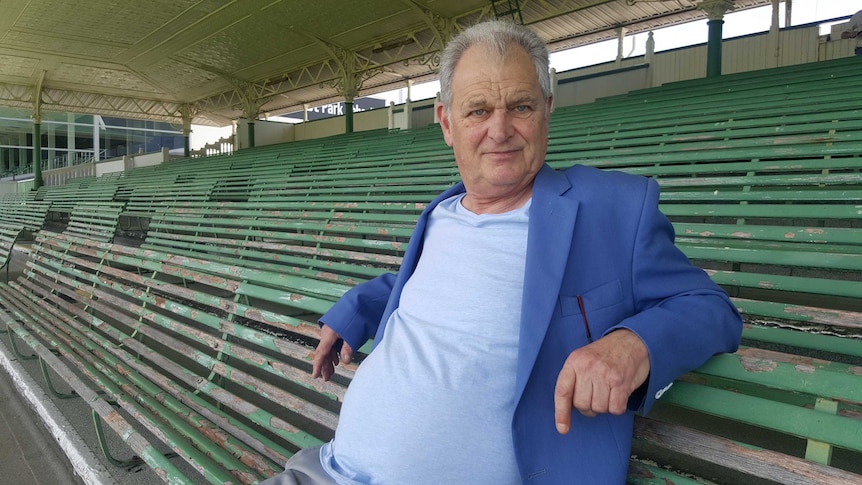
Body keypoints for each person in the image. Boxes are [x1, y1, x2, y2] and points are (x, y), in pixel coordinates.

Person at [262, 20, 742, 485]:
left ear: (547, 109)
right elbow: (443, 288)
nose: (500, 129)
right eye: (478, 111)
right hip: (328, 469)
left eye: (520, 106)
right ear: (446, 123)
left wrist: (634, 343)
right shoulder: (442, 213)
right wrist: (360, 306)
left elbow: (711, 309)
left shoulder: (612, 206)